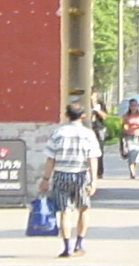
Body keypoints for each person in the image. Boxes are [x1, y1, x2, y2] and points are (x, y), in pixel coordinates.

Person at [36, 103, 100, 257]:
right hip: (80, 175)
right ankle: (79, 244)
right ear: (83, 115)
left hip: (60, 175)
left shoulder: (58, 133)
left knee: (65, 212)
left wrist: (45, 179)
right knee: (83, 209)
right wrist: (93, 181)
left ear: (66, 115)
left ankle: (66, 247)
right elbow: (92, 159)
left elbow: (50, 159)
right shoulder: (88, 134)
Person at [119, 98, 139, 179]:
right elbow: (123, 125)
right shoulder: (126, 116)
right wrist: (126, 127)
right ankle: (132, 172)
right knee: (131, 154)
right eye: (132, 105)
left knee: (137, 154)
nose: (133, 107)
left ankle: (134, 169)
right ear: (129, 106)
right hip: (129, 136)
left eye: (135, 105)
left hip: (138, 136)